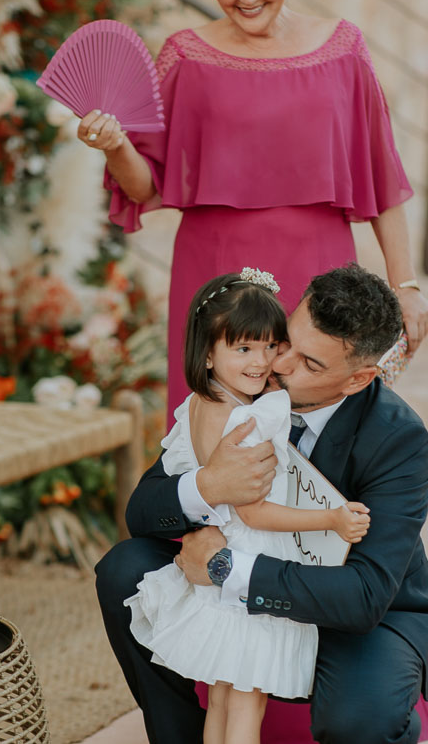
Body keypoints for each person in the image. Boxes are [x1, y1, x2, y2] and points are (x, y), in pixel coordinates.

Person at [96, 264, 428, 744]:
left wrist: (229, 569)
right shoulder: (237, 395)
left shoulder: (398, 439)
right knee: (126, 571)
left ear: (357, 379)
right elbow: (142, 511)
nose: (279, 365)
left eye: (311, 364)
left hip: (356, 611)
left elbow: (365, 595)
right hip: (257, 581)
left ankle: (386, 714)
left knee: (362, 720)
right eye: (285, 340)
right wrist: (209, 486)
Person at [76, 0, 428, 422]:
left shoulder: (344, 48)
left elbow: (380, 173)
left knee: (317, 419)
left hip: (319, 267)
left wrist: (405, 286)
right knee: (218, 422)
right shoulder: (184, 55)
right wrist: (115, 145)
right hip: (215, 267)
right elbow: (144, 184)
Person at [125, 268, 371, 744]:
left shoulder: (199, 404)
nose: (262, 363)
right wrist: (331, 519)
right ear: (208, 352)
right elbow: (254, 512)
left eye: (269, 346)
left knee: (222, 697)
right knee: (246, 706)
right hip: (250, 570)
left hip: (220, 571)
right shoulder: (247, 418)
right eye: (243, 348)